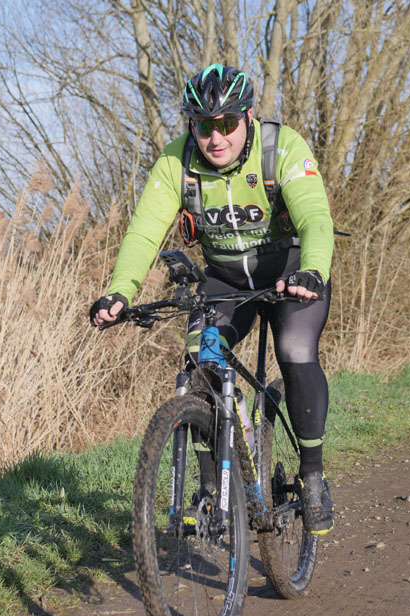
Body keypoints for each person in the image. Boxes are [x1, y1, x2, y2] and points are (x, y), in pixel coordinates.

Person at [90, 64, 334, 535]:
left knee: (294, 349)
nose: (216, 137)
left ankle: (312, 477)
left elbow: (315, 219)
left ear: (247, 117)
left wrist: (313, 270)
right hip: (224, 279)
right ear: (191, 126)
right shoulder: (177, 161)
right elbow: (143, 232)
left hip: (290, 272)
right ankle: (210, 490)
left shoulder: (281, 147)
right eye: (203, 126)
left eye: (226, 123)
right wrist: (120, 290)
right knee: (201, 360)